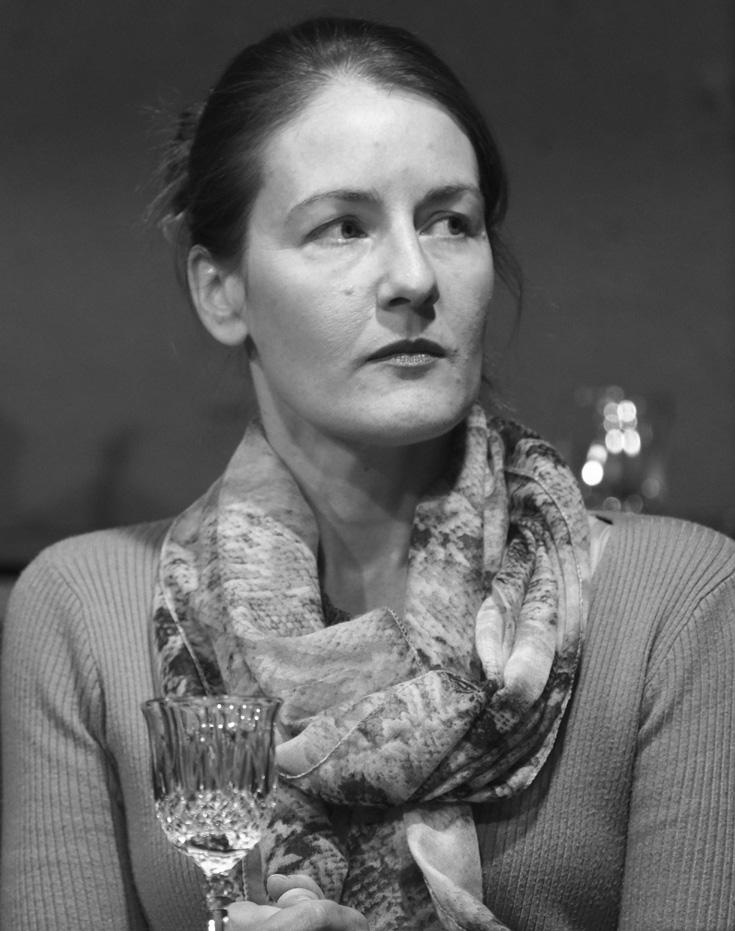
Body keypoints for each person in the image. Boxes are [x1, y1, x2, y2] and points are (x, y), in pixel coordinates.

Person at [2, 16, 734, 931]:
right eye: (342, 227)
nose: (413, 276)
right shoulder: (86, 609)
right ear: (220, 290)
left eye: (450, 222)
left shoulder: (671, 601)